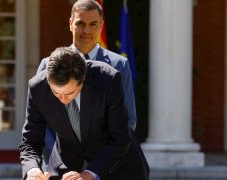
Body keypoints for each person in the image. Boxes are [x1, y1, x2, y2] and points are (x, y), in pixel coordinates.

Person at [37, 2, 148, 178]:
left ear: (101, 25)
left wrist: (96, 167)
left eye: (93, 24)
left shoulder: (119, 65)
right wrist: (59, 162)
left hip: (106, 170)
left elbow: (128, 120)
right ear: (70, 23)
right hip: (61, 169)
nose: (86, 30)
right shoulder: (47, 65)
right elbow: (41, 123)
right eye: (80, 23)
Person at [19, 47, 141, 180]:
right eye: (56, 93)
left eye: (70, 93)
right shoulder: (37, 87)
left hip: (115, 168)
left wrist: (90, 174)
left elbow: (119, 138)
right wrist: (33, 170)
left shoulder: (108, 79)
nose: (63, 100)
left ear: (83, 79)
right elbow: (30, 141)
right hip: (66, 167)